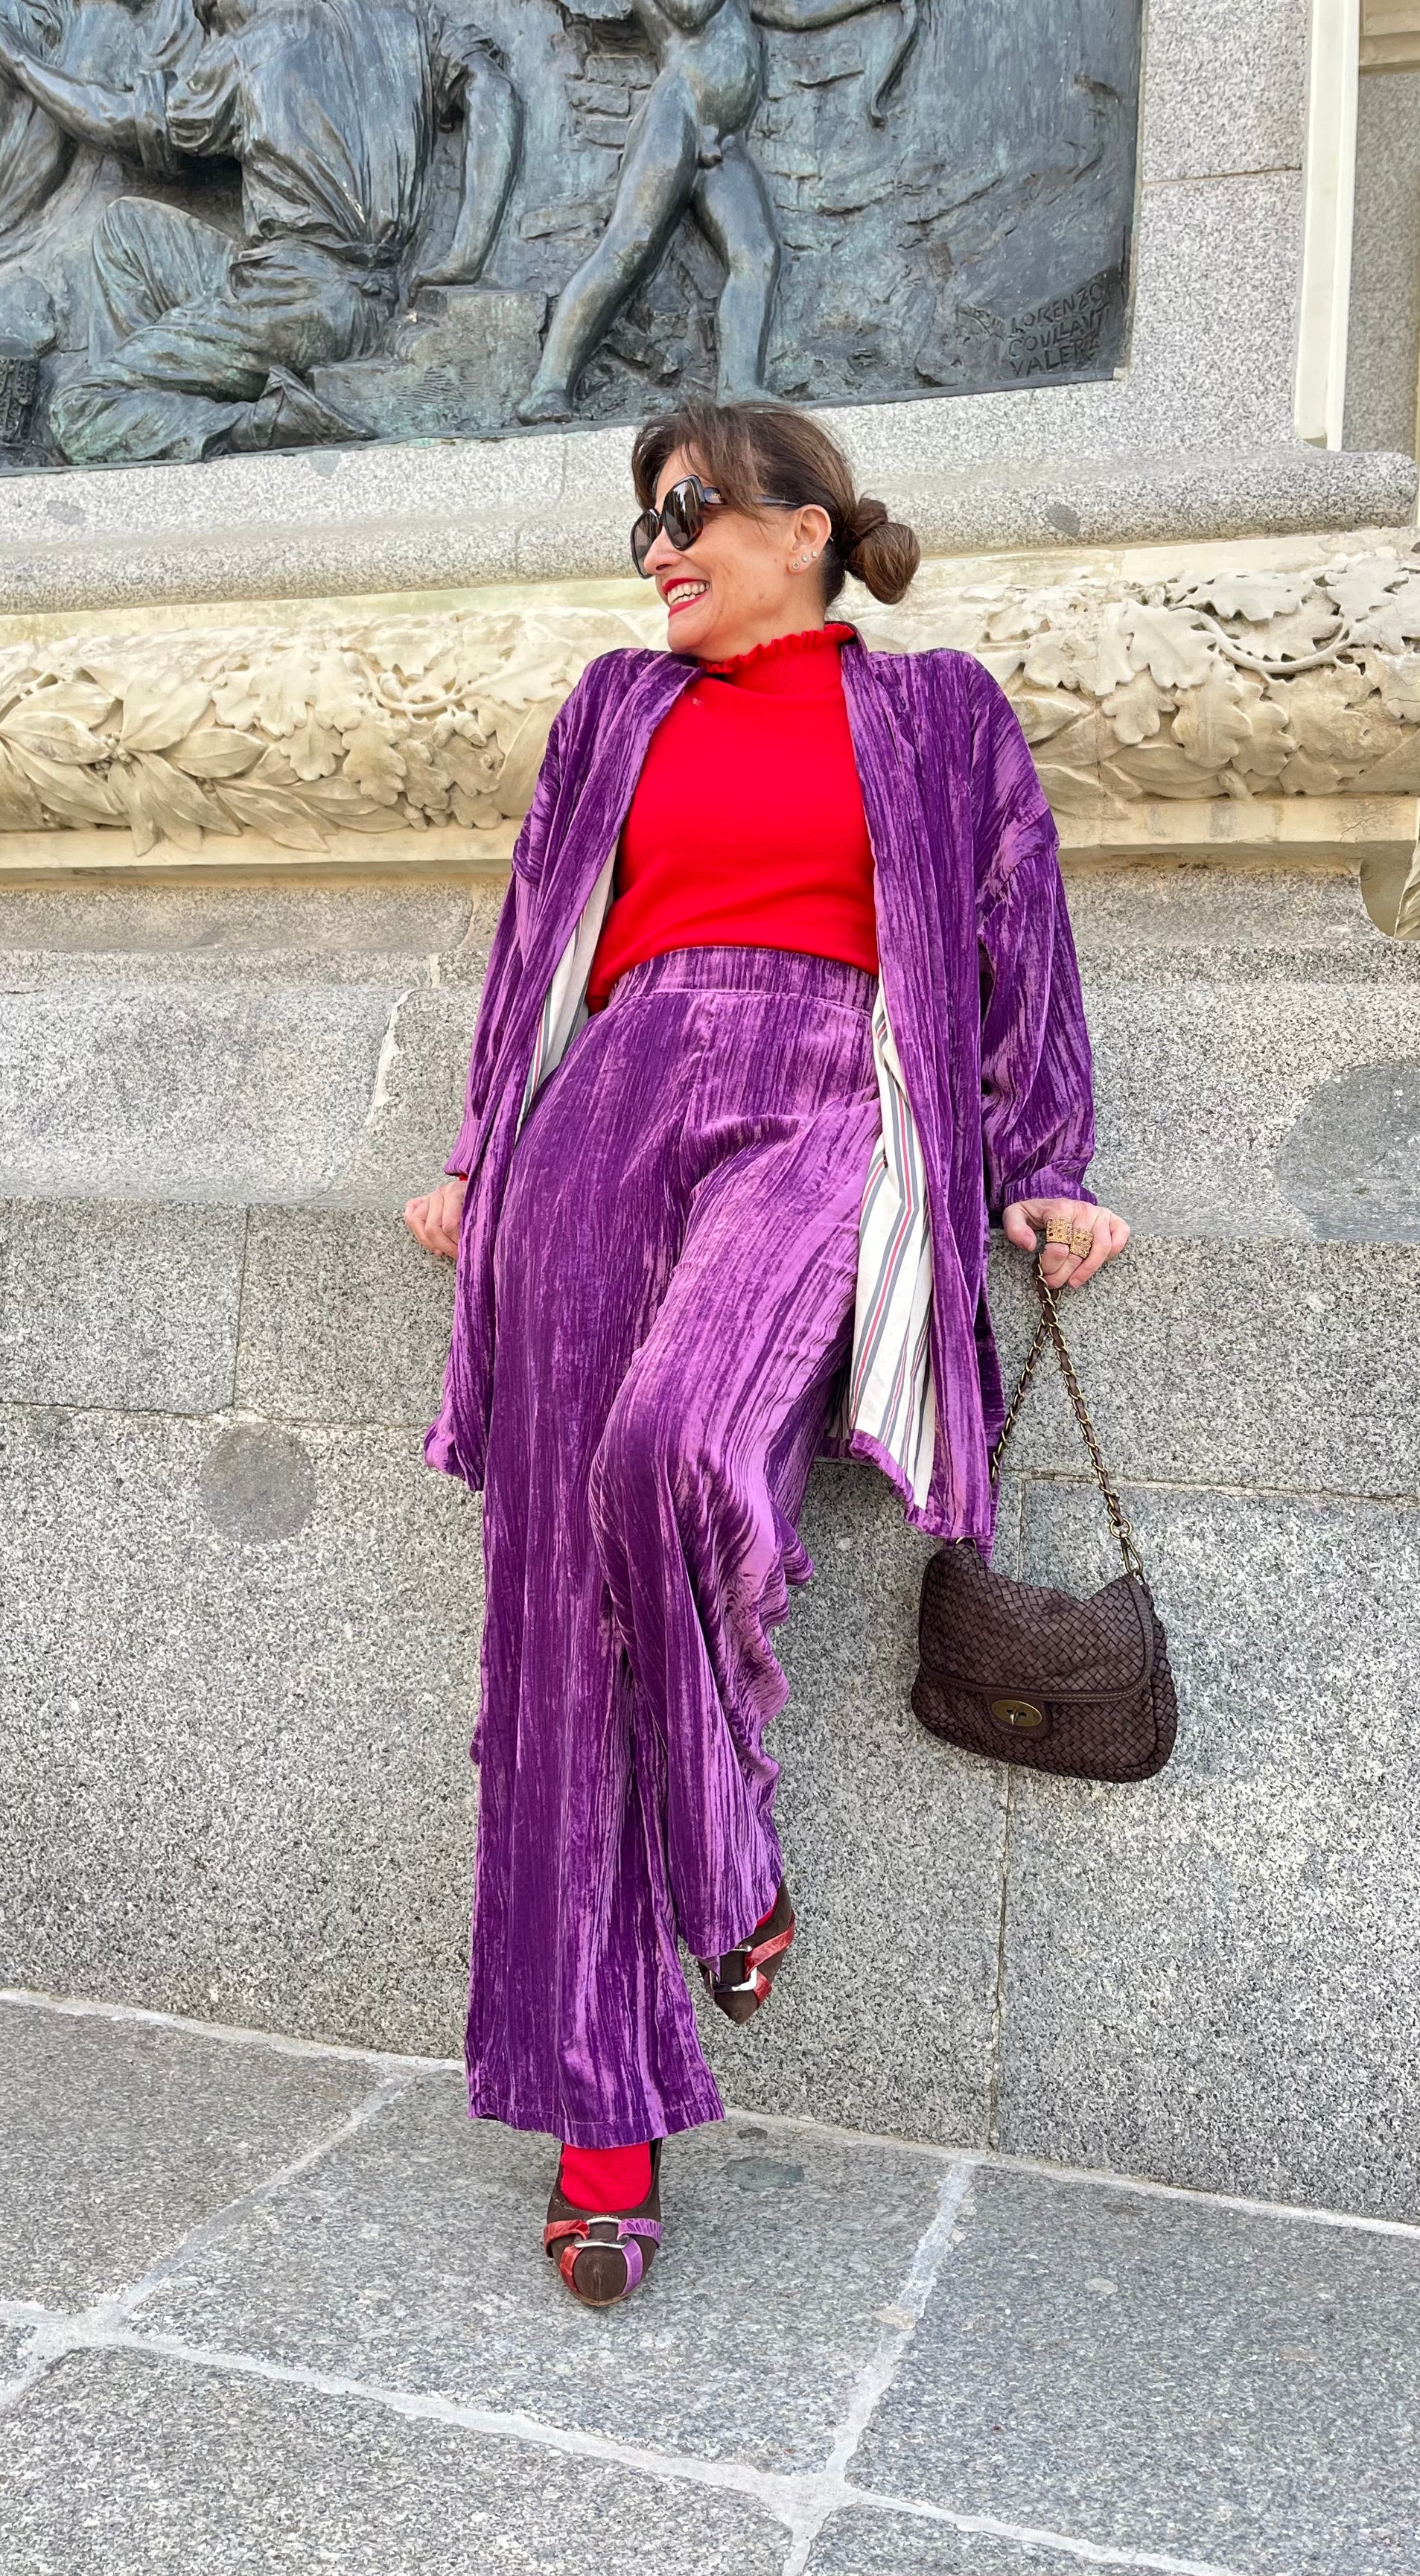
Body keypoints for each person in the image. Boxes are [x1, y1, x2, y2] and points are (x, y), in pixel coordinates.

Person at [405, 398, 1128, 2308]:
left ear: (806, 527)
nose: (659, 548)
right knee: (556, 1621)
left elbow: (1018, 929)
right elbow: (534, 937)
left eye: (691, 511)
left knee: (673, 1446)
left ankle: (725, 1856)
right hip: (610, 1098)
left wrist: (1046, 1158)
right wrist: (480, 1151)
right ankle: (601, 2132)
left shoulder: (937, 709)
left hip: (833, 1091)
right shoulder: (615, 710)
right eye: (642, 523)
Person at [0, 0, 520, 463]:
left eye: (210, 15)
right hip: (351, 291)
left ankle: (261, 422)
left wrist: (20, 60)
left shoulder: (251, 49)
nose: (211, 30)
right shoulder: (410, 22)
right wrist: (467, 252)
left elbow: (122, 121)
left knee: (82, 410)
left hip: (293, 303)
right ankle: (159, 396)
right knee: (127, 232)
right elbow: (494, 88)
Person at [516, 0, 918, 424]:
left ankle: (738, 386)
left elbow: (789, 11)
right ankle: (548, 388)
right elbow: (690, 11)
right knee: (628, 246)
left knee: (757, 253)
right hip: (677, 117)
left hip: (725, 139)